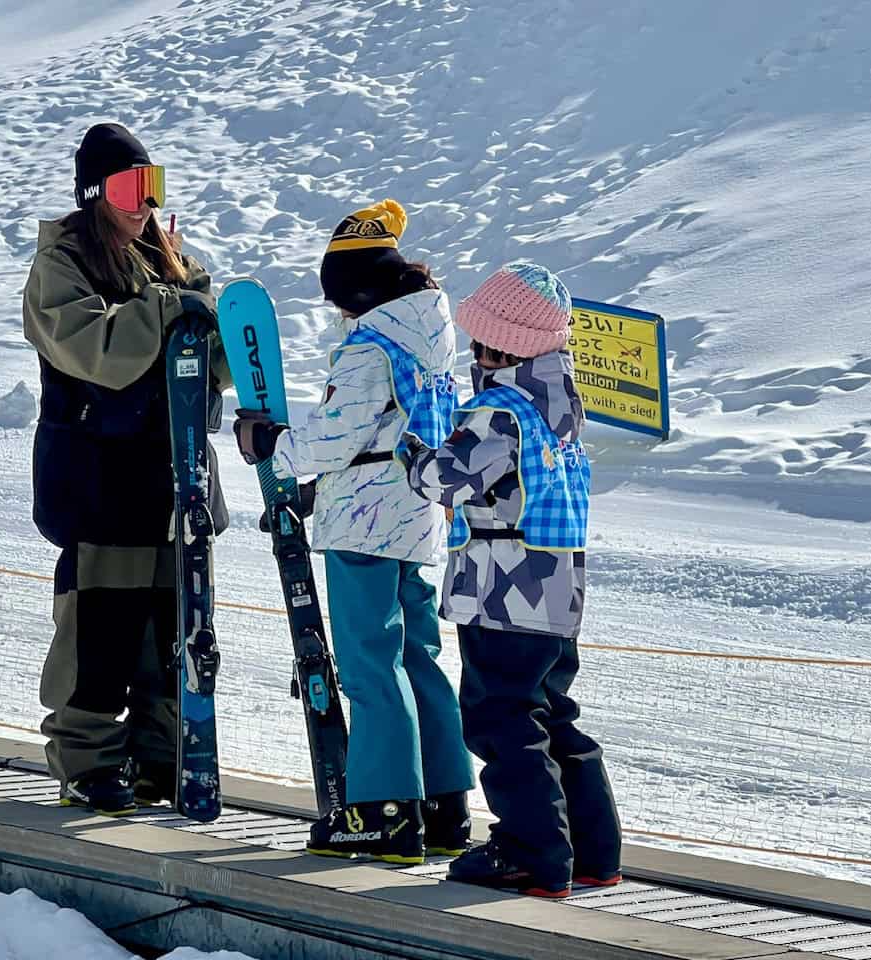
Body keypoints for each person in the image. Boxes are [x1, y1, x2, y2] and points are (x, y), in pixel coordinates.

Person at [234, 200, 475, 864]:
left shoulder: (371, 346)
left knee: (371, 663)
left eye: (338, 299)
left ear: (357, 290)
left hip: (365, 522)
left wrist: (274, 445)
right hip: (416, 515)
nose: (338, 312)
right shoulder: (429, 336)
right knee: (417, 655)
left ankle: (384, 812)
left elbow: (337, 436)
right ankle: (443, 803)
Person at [23, 122, 230, 816]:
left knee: (170, 631)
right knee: (100, 632)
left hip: (173, 479)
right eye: (126, 189)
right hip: (100, 480)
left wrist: (205, 314)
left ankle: (159, 757)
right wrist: (172, 305)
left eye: (151, 185)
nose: (143, 203)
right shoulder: (62, 266)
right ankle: (87, 761)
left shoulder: (167, 258)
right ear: (93, 194)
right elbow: (99, 352)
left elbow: (214, 364)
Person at [403, 261, 622, 897]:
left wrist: (417, 444)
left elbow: (445, 479)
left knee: (501, 717)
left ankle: (532, 852)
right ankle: (593, 850)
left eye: (484, 344)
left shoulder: (499, 412)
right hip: (557, 590)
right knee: (551, 712)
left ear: (505, 347)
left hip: (503, 591)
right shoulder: (560, 409)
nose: (477, 354)